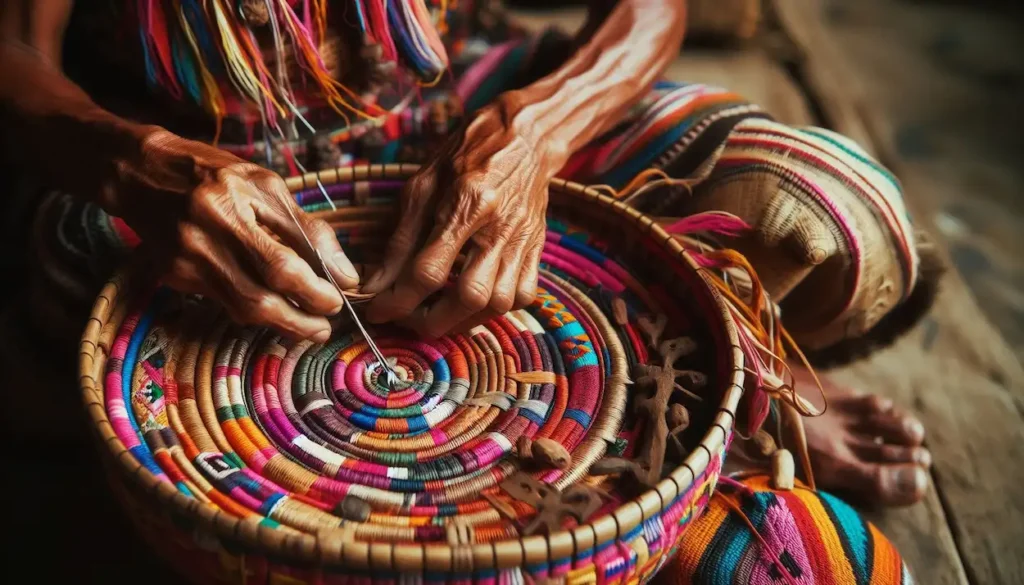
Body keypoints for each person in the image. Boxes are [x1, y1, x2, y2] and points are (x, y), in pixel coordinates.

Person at [0, 0, 930, 529]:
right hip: (199, 157)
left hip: (462, 99)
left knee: (821, 207)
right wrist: (134, 161)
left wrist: (535, 132)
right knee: (75, 264)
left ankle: (730, 378)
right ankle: (658, 410)